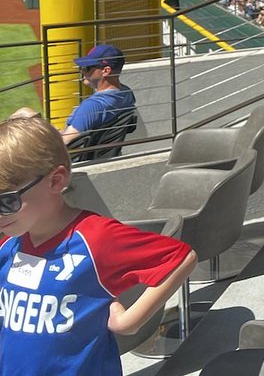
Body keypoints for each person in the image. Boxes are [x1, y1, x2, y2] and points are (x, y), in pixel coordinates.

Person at [0, 115, 196, 375]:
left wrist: (130, 322)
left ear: (55, 181)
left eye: (6, 202)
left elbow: (181, 258)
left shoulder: (96, 238)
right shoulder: (9, 241)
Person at [10, 44, 136, 148]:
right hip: (93, 148)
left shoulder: (93, 106)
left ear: (106, 71)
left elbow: (64, 143)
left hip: (66, 156)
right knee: (27, 114)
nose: (82, 71)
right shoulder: (126, 93)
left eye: (87, 67)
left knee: (23, 115)